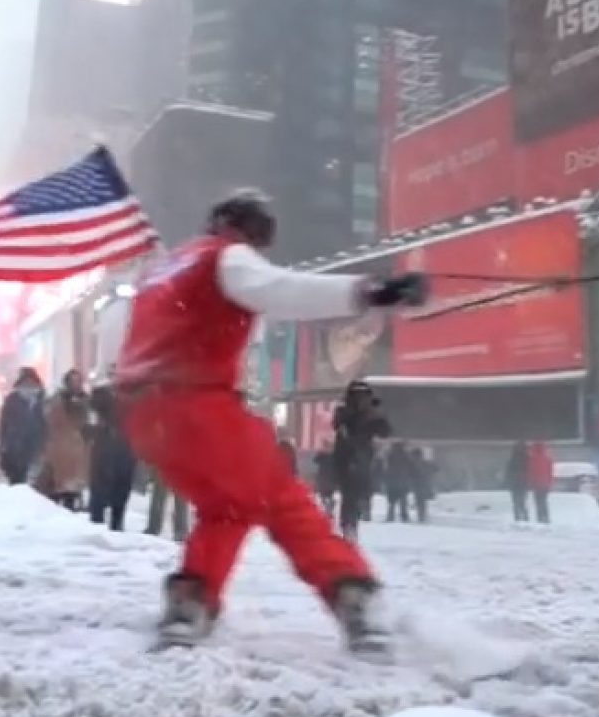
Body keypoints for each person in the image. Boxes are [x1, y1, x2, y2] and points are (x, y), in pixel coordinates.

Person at [112, 190, 428, 657]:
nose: (259, 250)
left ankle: (191, 601)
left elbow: (113, 344)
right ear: (247, 229)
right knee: (280, 496)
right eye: (261, 238)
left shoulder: (158, 272)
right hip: (197, 405)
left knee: (229, 506)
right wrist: (369, 291)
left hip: (144, 416)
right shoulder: (225, 256)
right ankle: (352, 594)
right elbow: (278, 289)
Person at [331, 381, 389, 542]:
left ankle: (350, 523)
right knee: (352, 492)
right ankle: (350, 523)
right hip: (352, 455)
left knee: (352, 493)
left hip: (354, 456)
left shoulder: (354, 411)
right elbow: (384, 430)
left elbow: (384, 431)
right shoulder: (349, 412)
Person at [86, 380, 137, 531]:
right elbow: (89, 423)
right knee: (99, 492)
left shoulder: (133, 399)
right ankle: (96, 526)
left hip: (125, 451)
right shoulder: (101, 395)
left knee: (121, 491)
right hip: (104, 452)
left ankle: (116, 524)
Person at [41, 369, 92, 511]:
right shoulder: (58, 399)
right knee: (57, 486)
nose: (76, 384)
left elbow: (90, 421)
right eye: (73, 381)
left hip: (78, 449)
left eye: (78, 381)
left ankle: (71, 505)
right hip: (60, 448)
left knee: (73, 486)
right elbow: (50, 418)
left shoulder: (86, 400)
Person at [0, 368, 46, 486]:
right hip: (15, 450)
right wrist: (3, 448)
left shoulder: (42, 401)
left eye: (31, 383)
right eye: (26, 383)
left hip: (36, 449)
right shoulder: (12, 400)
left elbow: (46, 425)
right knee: (17, 482)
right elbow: (4, 426)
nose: (28, 386)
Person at [526, 440, 556, 524]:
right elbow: (550, 472)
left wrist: (530, 482)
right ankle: (545, 517)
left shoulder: (531, 459)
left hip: (536, 483)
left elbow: (531, 471)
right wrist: (550, 483)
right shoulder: (548, 458)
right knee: (544, 501)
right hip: (545, 483)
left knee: (538, 501)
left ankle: (540, 517)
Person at [383, 443, 414, 523]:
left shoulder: (390, 456)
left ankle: (390, 516)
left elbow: (386, 468)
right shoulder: (405, 456)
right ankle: (404, 516)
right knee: (402, 501)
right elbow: (410, 468)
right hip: (402, 482)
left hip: (392, 482)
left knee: (392, 501)